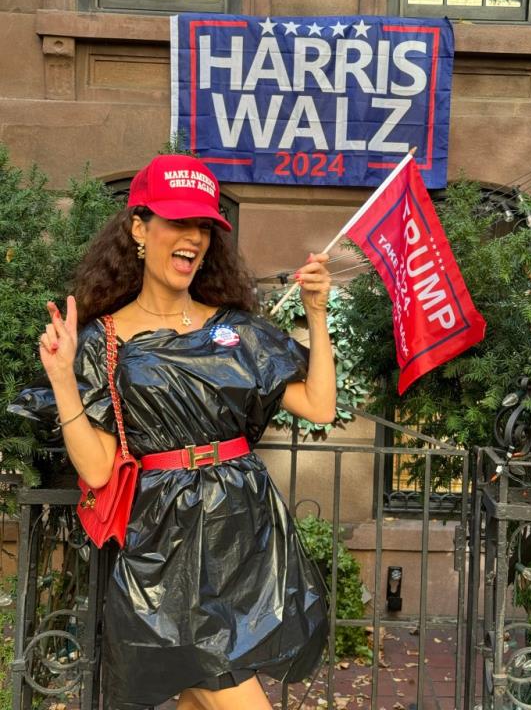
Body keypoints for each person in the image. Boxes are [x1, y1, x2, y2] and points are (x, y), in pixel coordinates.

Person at [9, 154, 336, 710]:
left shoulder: (235, 329)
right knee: (224, 689)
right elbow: (95, 469)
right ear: (139, 228)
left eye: (203, 226)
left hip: (243, 531)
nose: (193, 238)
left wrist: (317, 313)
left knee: (202, 693)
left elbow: (320, 406)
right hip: (167, 542)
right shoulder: (103, 340)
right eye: (178, 222)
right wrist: (64, 378)